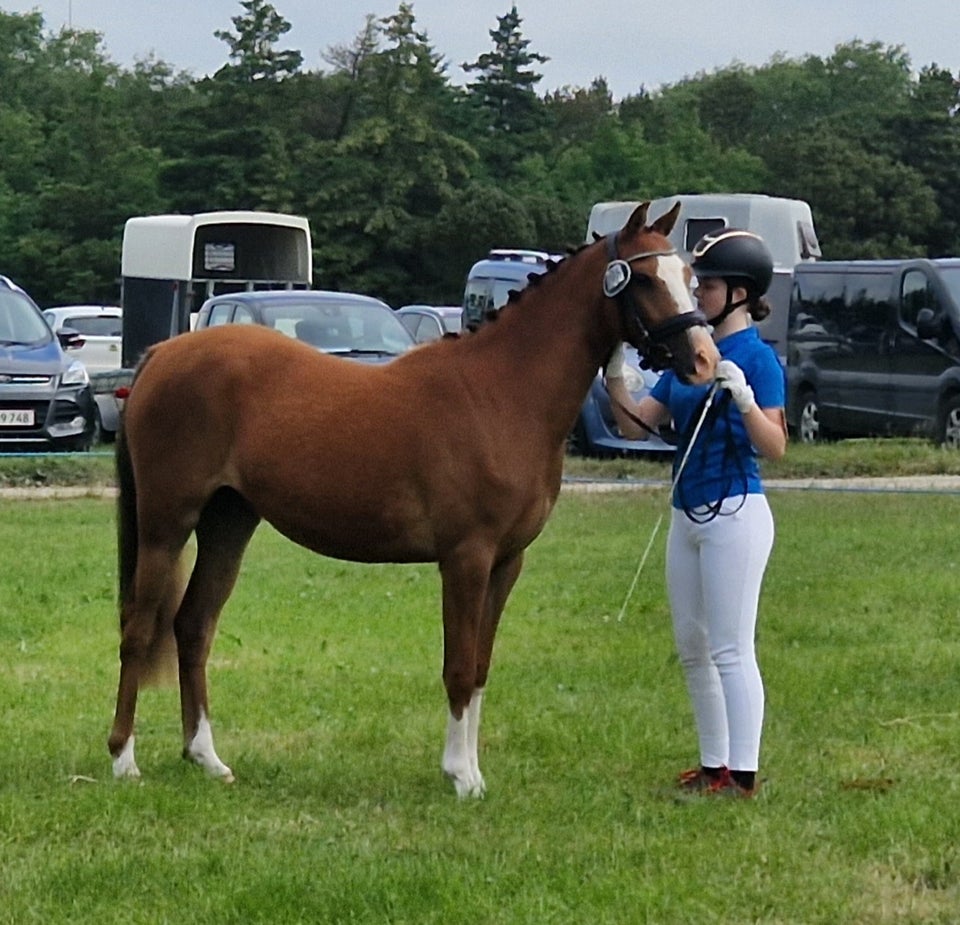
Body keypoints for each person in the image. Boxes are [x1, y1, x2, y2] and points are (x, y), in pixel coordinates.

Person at [605, 229, 787, 797]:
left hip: (737, 511)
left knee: (732, 648)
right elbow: (636, 421)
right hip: (687, 515)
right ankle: (714, 767)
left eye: (706, 285)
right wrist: (613, 369)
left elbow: (774, 445)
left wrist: (746, 399)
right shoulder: (693, 353)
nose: (698, 293)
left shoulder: (757, 359)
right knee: (693, 647)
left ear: (738, 292)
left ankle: (745, 773)